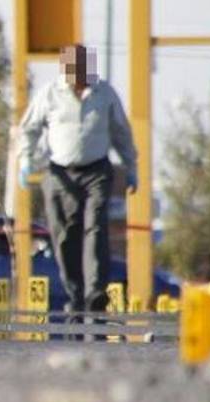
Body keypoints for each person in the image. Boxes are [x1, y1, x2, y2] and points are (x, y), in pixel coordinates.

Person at [17, 44, 137, 315]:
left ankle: (95, 294)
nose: (75, 75)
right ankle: (75, 293)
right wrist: (25, 160)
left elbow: (121, 132)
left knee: (96, 228)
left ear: (88, 67)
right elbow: (29, 128)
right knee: (65, 234)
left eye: (80, 68)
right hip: (59, 173)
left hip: (97, 171)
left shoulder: (104, 93)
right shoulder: (50, 94)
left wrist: (131, 166)